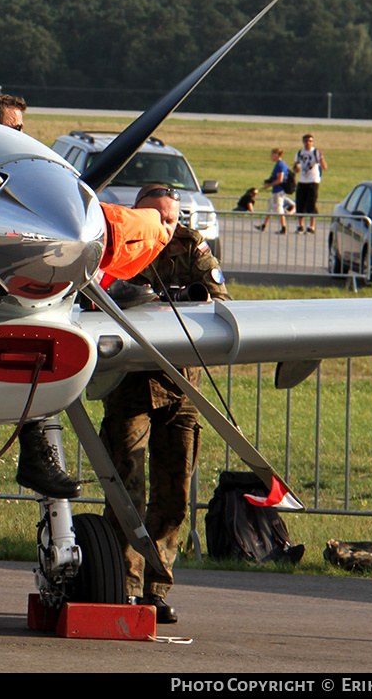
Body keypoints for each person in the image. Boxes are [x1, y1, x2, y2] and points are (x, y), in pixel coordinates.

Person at [100, 183, 230, 624]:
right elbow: (95, 297)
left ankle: (156, 588)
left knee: (174, 494)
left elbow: (222, 303)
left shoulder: (191, 248)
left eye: (172, 218)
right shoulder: (115, 246)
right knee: (127, 489)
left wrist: (192, 299)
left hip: (181, 386)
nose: (166, 225)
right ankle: (122, 584)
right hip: (129, 383)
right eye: (156, 217)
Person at [0, 90, 78, 498]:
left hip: (0, 295)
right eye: (15, 129)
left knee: (40, 345)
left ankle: (35, 453)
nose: (23, 136)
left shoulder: (15, 176)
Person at [293, 134, 327, 234]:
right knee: (300, 203)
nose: (308, 143)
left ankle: (312, 226)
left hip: (313, 181)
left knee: (311, 203)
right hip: (302, 181)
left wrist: (321, 158)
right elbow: (295, 168)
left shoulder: (315, 152)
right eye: (306, 141)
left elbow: (324, 167)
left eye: (310, 141)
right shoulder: (299, 153)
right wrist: (297, 168)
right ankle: (300, 225)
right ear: (303, 142)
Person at [257, 148, 290, 233]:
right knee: (270, 208)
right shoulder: (279, 164)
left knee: (279, 209)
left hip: (278, 191)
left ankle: (283, 227)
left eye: (272, 155)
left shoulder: (280, 165)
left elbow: (280, 179)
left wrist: (269, 185)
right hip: (276, 190)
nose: (271, 157)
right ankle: (263, 225)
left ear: (276, 155)